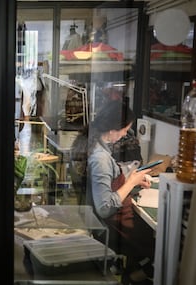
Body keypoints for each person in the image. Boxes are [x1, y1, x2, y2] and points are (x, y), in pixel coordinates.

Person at [83, 100, 155, 284]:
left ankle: (131, 272)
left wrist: (134, 181)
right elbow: (105, 208)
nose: (125, 134)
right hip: (115, 228)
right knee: (163, 245)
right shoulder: (101, 158)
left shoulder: (100, 147)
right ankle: (133, 276)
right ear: (114, 128)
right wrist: (130, 182)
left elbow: (109, 183)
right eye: (125, 129)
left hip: (115, 224)